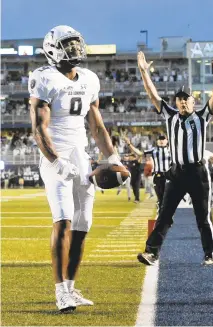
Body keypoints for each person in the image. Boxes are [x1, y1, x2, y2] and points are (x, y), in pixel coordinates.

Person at [29, 25, 122, 313]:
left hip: (81, 156)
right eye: (68, 45)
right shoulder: (43, 77)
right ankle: (59, 292)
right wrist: (56, 161)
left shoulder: (90, 79)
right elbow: (38, 128)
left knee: (83, 224)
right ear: (53, 49)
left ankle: (70, 287)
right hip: (55, 156)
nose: (75, 50)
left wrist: (113, 157)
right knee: (64, 220)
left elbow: (97, 125)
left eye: (75, 44)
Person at [136, 50, 213, 266]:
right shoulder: (169, 115)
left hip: (197, 172)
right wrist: (144, 72)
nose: (183, 102)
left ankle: (209, 254)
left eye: (186, 99)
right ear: (175, 102)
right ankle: (152, 252)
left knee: (203, 217)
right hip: (176, 172)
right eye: (179, 99)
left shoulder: (202, 116)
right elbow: (152, 95)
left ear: (193, 102)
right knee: (164, 214)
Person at [123, 134, 171, 212]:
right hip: (158, 176)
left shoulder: (172, 150)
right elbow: (139, 153)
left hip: (169, 177)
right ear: (157, 141)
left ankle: (165, 213)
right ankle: (162, 214)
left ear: (167, 141)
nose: (162, 141)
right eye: (160, 139)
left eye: (163, 139)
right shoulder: (153, 150)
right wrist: (129, 144)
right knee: (160, 197)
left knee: (168, 198)